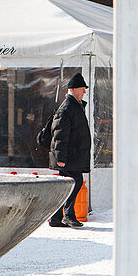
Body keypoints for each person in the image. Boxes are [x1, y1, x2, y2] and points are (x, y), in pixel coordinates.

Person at [49, 72, 91, 228]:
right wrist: (60, 157)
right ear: (74, 89)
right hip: (68, 156)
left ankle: (57, 217)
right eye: (82, 88)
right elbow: (59, 134)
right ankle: (68, 215)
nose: (84, 91)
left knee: (69, 184)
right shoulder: (67, 107)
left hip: (72, 155)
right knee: (75, 182)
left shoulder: (75, 106)